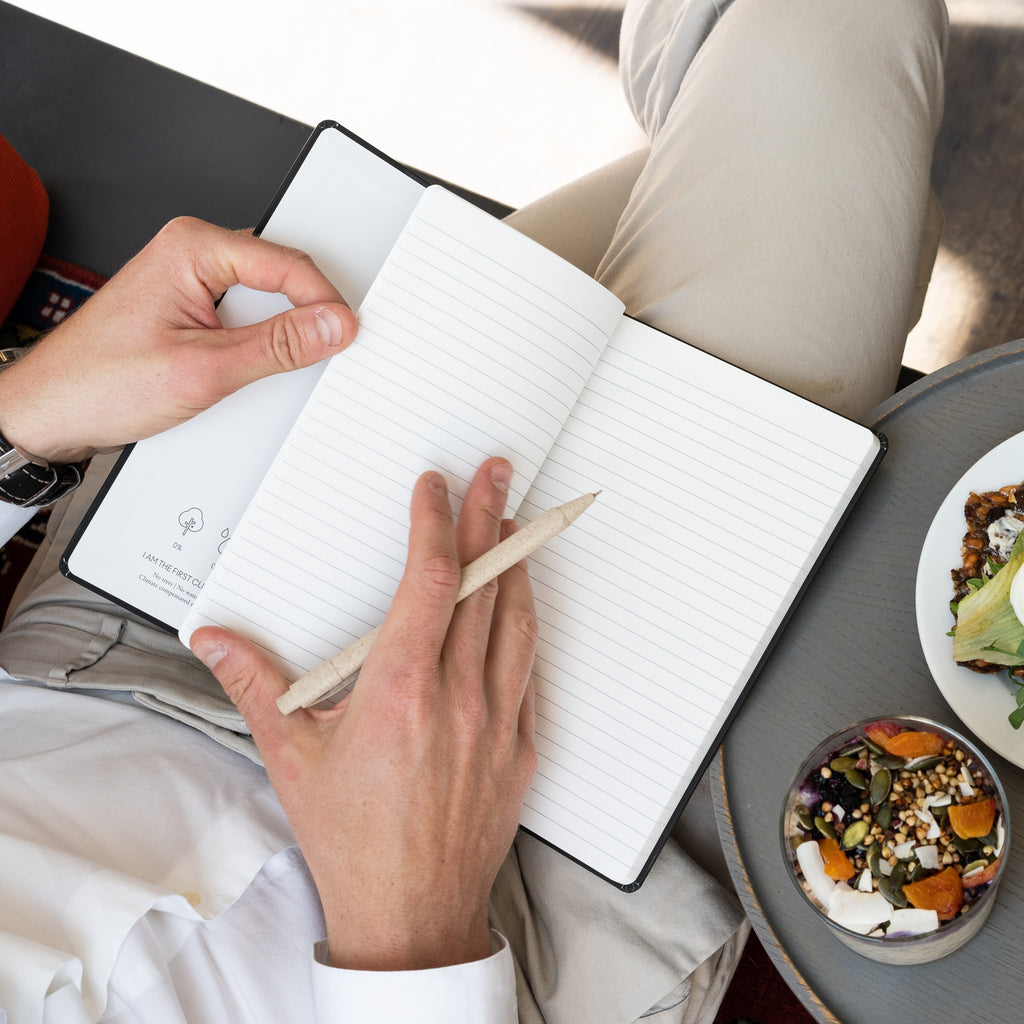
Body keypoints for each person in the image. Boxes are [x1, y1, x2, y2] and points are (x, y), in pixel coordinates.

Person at [0, 0, 949, 1020]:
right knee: (841, 54)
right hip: (509, 897)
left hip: (142, 625)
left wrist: (22, 423)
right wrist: (412, 936)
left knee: (826, 145)